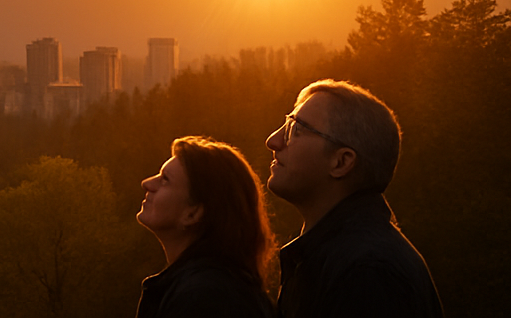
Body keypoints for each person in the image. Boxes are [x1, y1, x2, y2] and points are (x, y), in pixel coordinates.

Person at [265, 79, 443, 317]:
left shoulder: (368, 273)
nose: (273, 141)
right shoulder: (341, 259)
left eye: (295, 130)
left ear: (341, 162)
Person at [136, 135, 277, 318]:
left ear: (192, 214)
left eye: (165, 180)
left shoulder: (203, 298)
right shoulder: (216, 288)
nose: (147, 183)